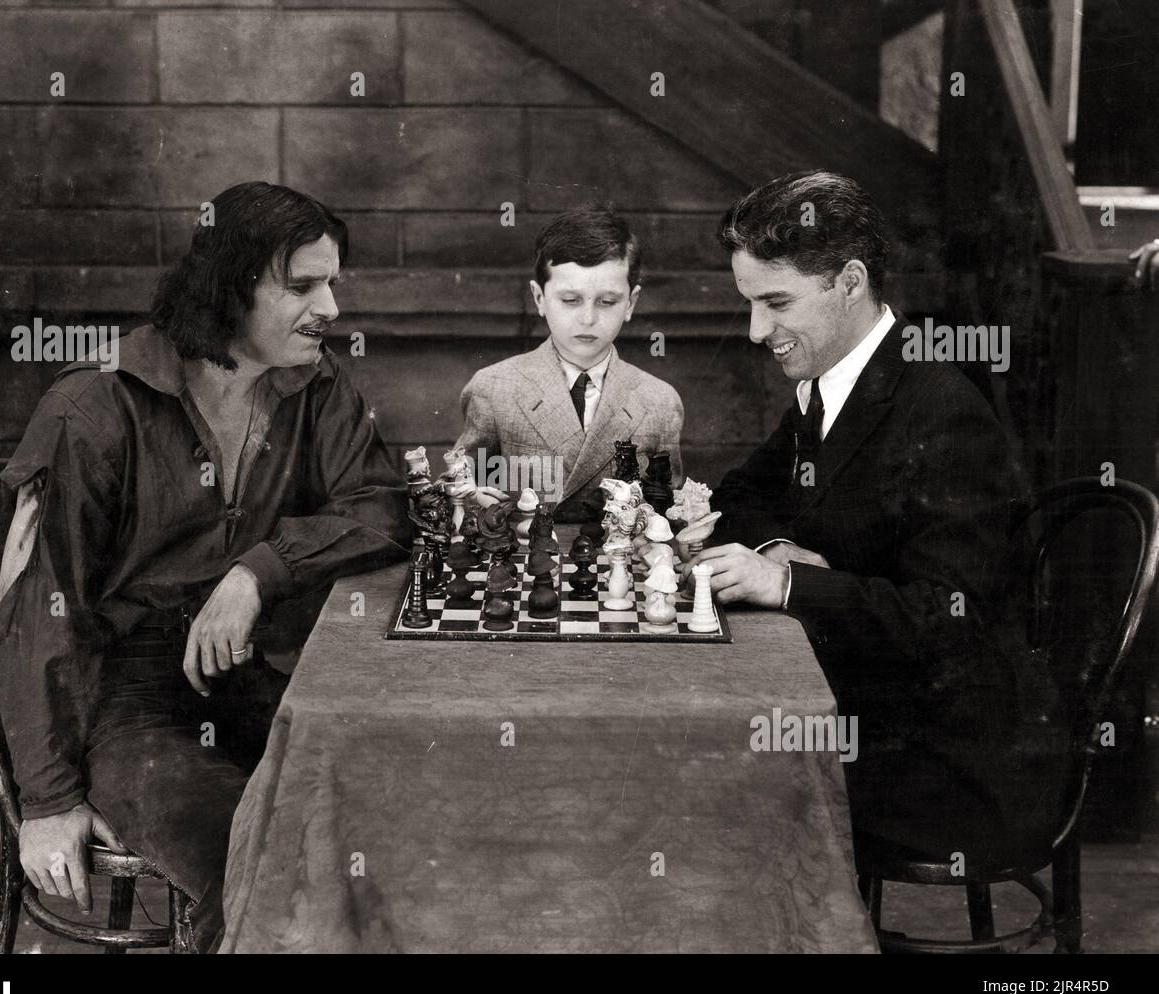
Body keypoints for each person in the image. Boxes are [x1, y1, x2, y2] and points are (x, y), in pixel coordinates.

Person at [0, 181, 412, 951]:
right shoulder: (94, 407)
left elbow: (381, 507)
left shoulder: (315, 384)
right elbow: (32, 615)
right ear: (232, 288)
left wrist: (256, 573)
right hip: (128, 708)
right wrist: (45, 801)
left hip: (264, 679)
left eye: (333, 283)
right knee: (251, 859)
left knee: (388, 822)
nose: (332, 309)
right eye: (304, 286)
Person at [687, 170, 1070, 869]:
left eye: (775, 302)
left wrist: (787, 586)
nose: (755, 330)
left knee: (707, 775)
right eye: (749, 303)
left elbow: (950, 619)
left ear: (850, 280)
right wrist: (780, 548)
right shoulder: (829, 381)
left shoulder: (941, 406)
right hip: (869, 702)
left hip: (949, 755)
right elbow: (743, 493)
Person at [456, 204, 683, 521]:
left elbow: (668, 506)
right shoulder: (493, 389)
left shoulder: (659, 401)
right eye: (570, 300)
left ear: (630, 303)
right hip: (525, 561)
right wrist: (469, 498)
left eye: (607, 301)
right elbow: (457, 487)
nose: (588, 318)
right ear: (539, 298)